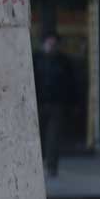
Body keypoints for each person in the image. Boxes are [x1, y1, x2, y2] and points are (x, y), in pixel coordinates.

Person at [32, 33, 76, 177]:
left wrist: (70, 103)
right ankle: (38, 163)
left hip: (57, 104)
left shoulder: (63, 61)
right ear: (44, 44)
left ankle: (51, 165)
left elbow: (70, 84)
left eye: (53, 44)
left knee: (53, 136)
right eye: (49, 43)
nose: (51, 46)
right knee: (37, 136)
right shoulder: (36, 59)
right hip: (38, 103)